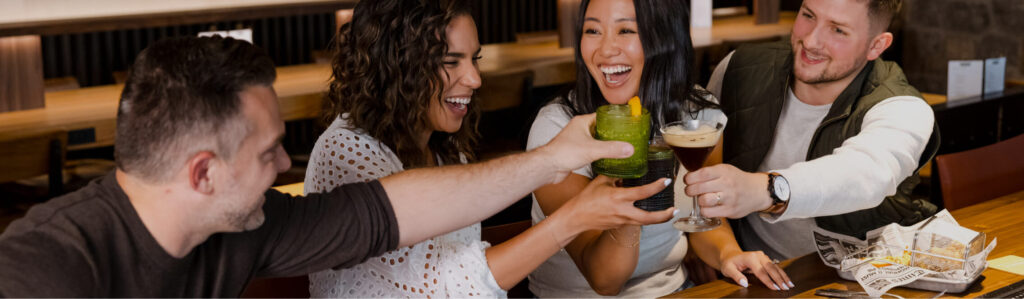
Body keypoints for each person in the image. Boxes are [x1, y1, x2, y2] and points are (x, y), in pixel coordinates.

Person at [0, 36, 675, 297]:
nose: (287, 164)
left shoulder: (243, 222)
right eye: (267, 152)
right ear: (203, 172)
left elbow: (393, 207)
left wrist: (554, 158)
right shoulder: (45, 267)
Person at [303, 0, 674, 297]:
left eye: (474, 59)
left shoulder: (447, 152)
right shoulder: (344, 152)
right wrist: (573, 215)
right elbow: (445, 286)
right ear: (396, 66)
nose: (475, 79)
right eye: (451, 62)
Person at [526, 0, 793, 297]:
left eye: (625, 30)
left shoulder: (697, 115)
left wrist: (729, 254)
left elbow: (702, 217)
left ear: (665, 36)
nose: (605, 50)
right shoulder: (557, 130)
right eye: (592, 30)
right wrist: (630, 183)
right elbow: (604, 279)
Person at [689, 0, 939, 261]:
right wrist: (702, 251)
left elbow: (866, 174)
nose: (810, 41)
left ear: (876, 45)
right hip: (754, 276)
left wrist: (767, 190)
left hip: (855, 278)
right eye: (808, 15)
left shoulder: (902, 107)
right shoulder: (737, 68)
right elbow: (698, 172)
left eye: (838, 30)